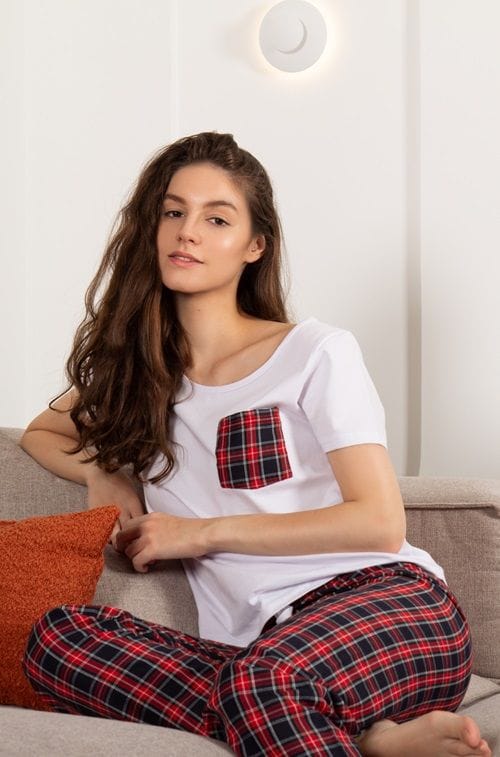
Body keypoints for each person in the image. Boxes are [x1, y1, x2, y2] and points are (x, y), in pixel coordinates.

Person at [20, 132, 491, 757]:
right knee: (57, 639)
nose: (188, 232)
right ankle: (368, 738)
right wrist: (104, 473)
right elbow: (43, 431)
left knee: (263, 682)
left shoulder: (314, 352)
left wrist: (198, 534)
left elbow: (379, 523)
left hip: (393, 608)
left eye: (217, 218)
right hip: (264, 652)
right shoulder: (137, 377)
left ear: (254, 246)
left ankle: (318, 712)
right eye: (173, 211)